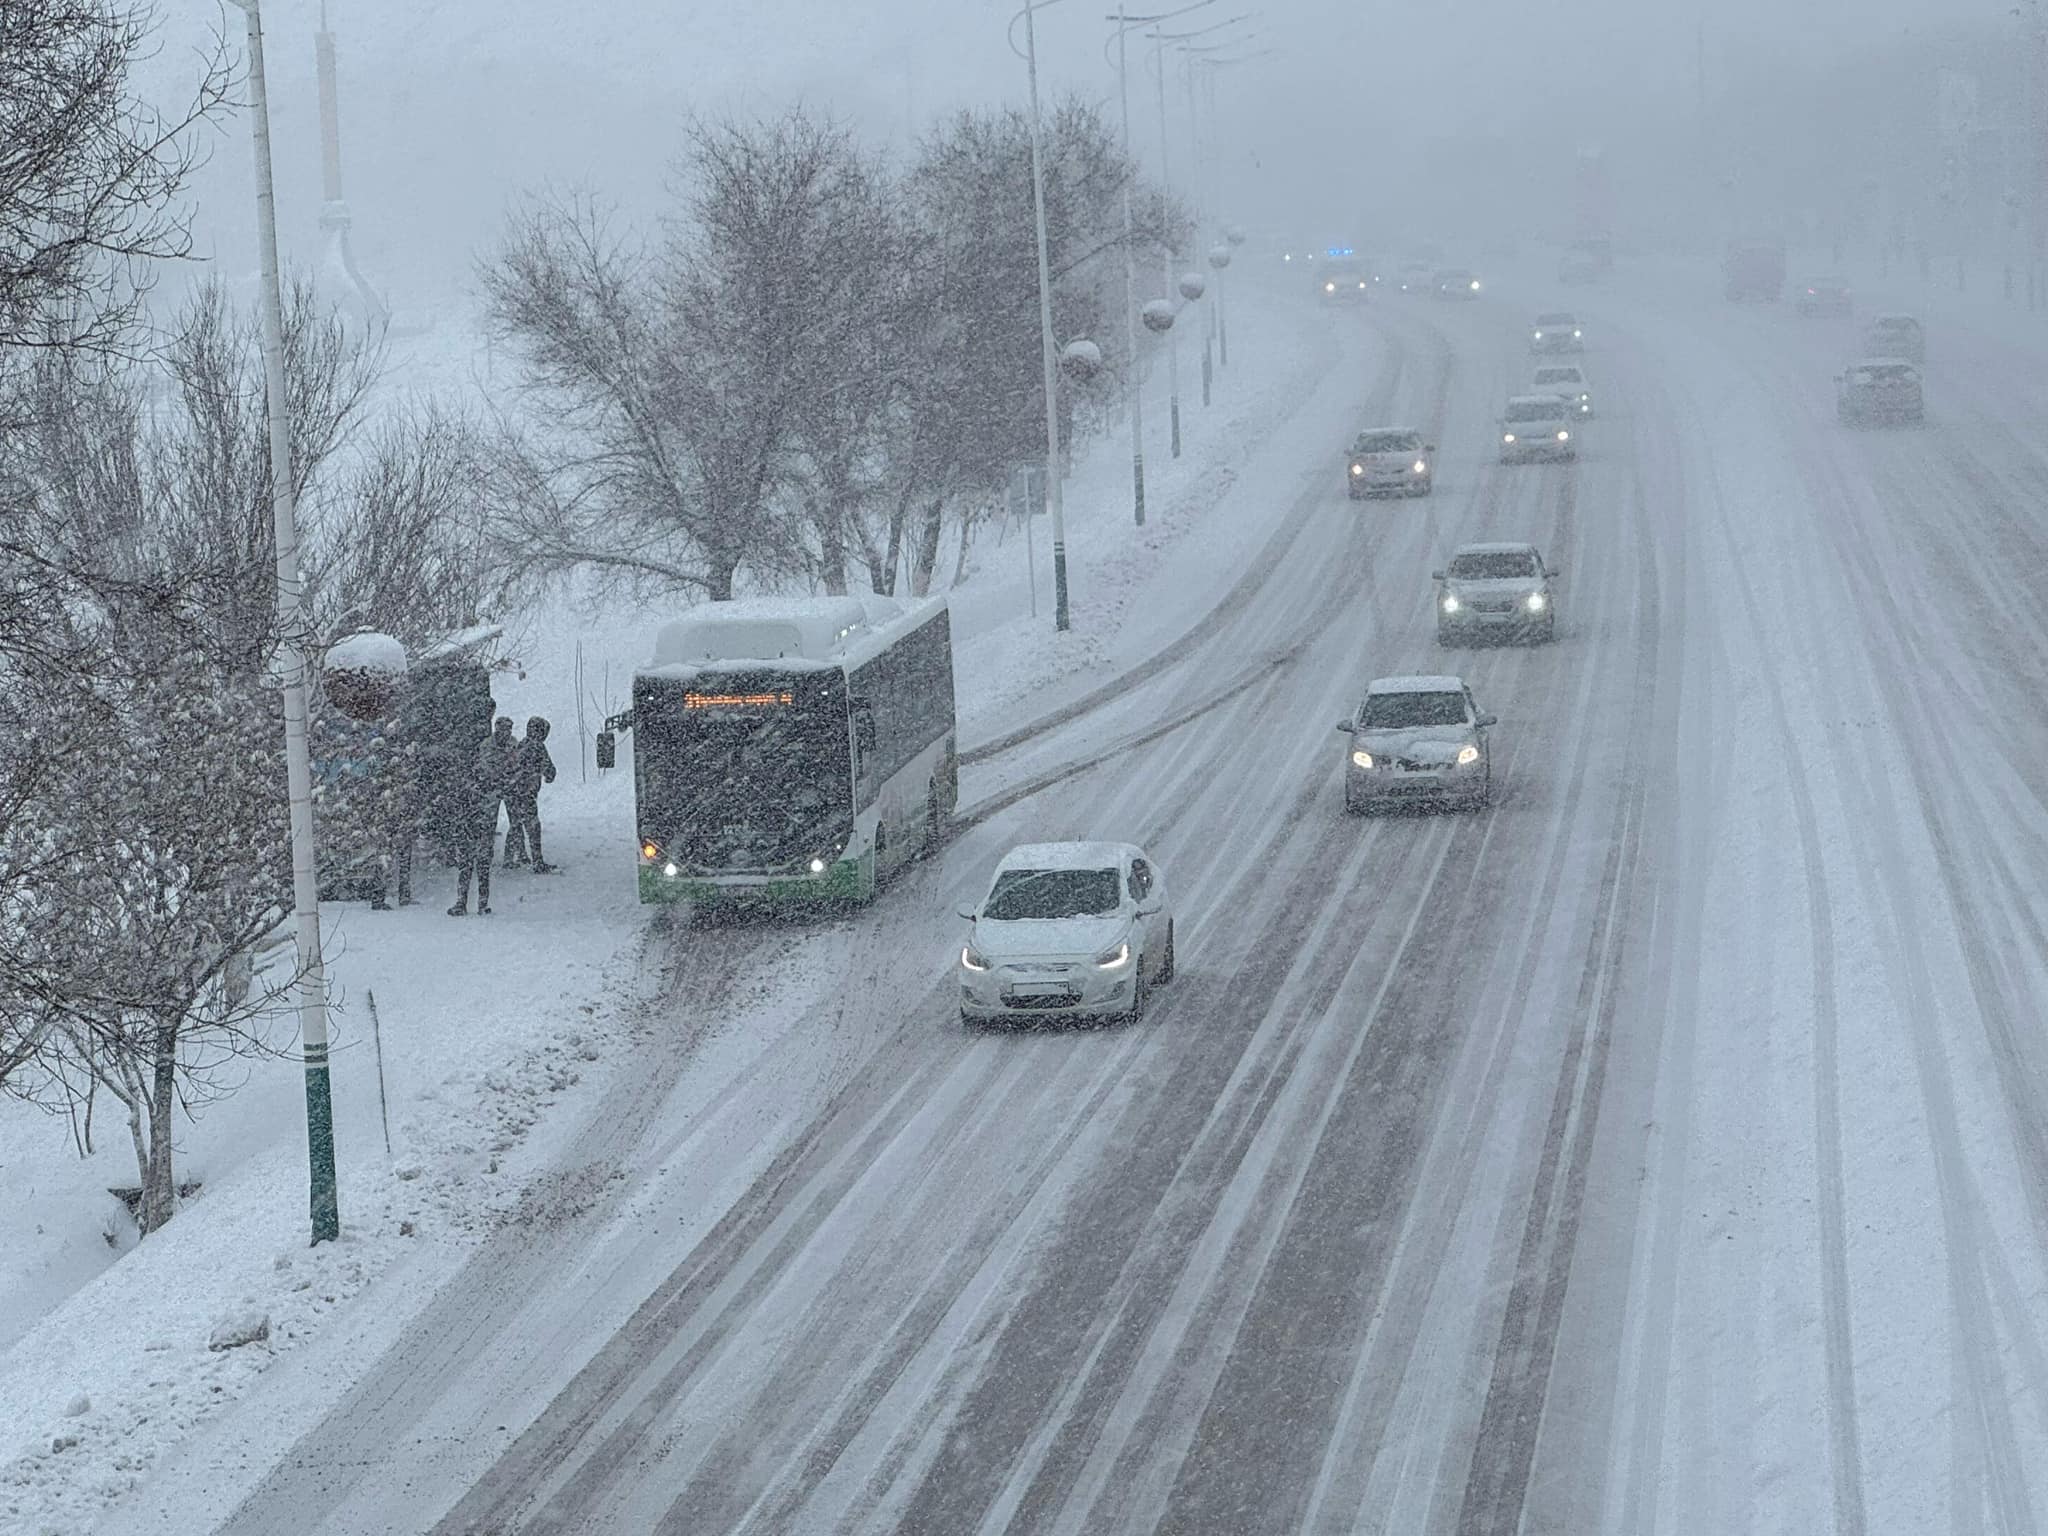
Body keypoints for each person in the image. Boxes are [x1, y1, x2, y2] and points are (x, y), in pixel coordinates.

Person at [449, 727, 506, 916]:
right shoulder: (482, 774)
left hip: (474, 826)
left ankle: (468, 902)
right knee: (478, 868)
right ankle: (478, 903)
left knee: (471, 867)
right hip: (477, 826)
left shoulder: (470, 776)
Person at [505, 715, 558, 872]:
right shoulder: (537, 746)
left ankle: (511, 858)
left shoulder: (521, 744)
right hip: (525, 793)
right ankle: (537, 861)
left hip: (511, 792)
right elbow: (550, 771)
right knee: (533, 827)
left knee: (515, 825)